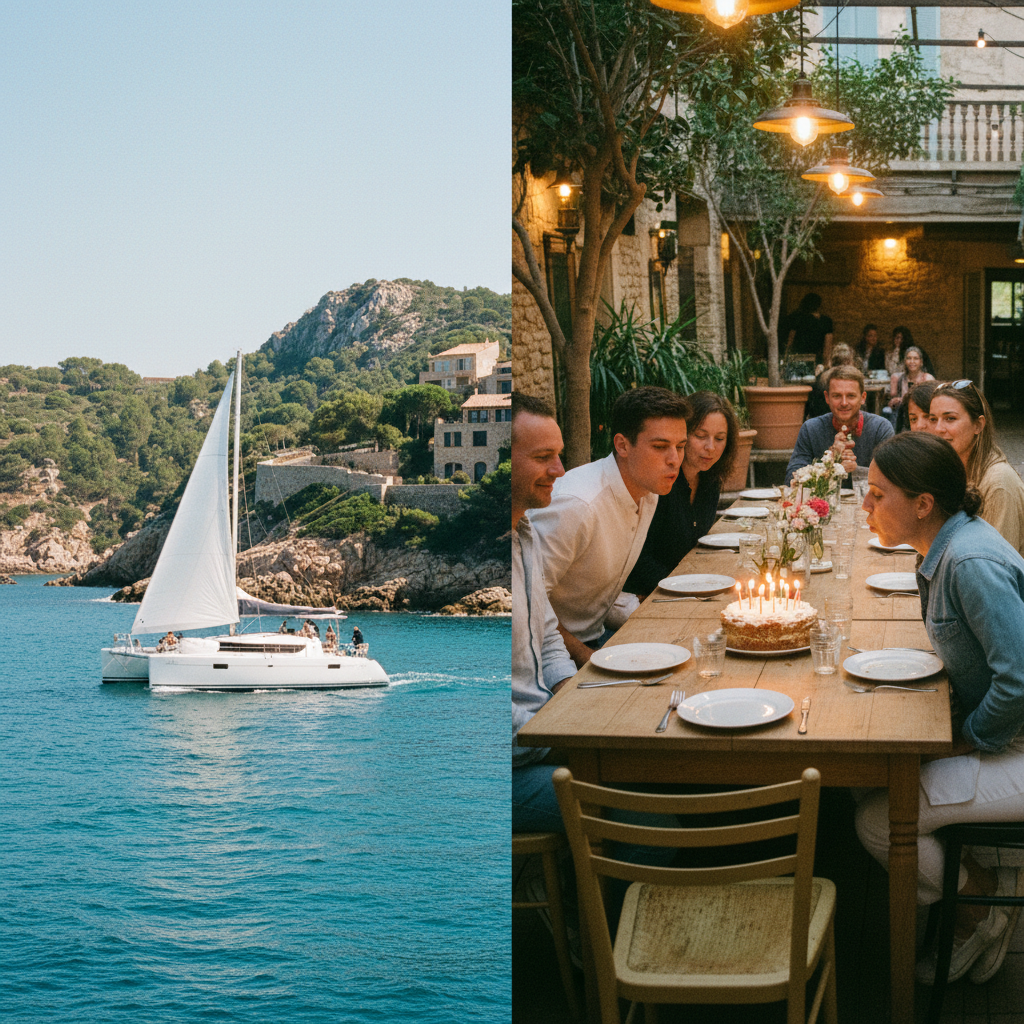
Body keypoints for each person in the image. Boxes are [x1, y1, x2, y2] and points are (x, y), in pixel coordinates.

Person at [855, 431, 1024, 985]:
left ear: (924, 503)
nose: (866, 505)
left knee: (877, 821)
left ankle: (979, 908)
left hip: (1017, 746)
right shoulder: (944, 547)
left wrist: (965, 739)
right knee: (864, 775)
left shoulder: (969, 561)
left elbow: (1019, 680)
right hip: (1005, 735)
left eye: (878, 494)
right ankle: (969, 887)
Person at [529, 385, 690, 667]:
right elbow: (528, 604)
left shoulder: (649, 491)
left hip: (598, 639)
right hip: (550, 657)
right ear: (622, 445)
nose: (674, 459)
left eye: (680, 446)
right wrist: (585, 659)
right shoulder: (577, 505)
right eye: (660, 447)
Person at [510, 392, 577, 831]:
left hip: (547, 729)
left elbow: (549, 638)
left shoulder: (525, 529)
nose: (559, 470)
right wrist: (562, 733)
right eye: (543, 458)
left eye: (559, 455)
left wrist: (572, 697)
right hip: (514, 767)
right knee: (645, 808)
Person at [624, 391, 739, 596]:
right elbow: (638, 560)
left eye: (720, 438)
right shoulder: (660, 482)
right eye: (700, 436)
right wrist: (687, 587)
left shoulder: (710, 480)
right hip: (644, 595)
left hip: (684, 586)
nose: (710, 447)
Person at [929, 379, 1024, 557]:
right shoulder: (954, 470)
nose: (938, 428)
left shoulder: (999, 484)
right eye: (933, 419)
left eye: (950, 418)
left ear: (978, 425)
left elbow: (994, 565)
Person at [785, 365, 894, 482]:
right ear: (827, 398)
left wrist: (856, 471)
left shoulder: (880, 428)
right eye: (837, 396)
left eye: (851, 396)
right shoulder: (811, 429)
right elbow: (791, 478)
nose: (844, 403)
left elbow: (891, 478)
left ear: (863, 398)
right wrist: (829, 463)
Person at [888, 345, 935, 430]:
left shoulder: (927, 378)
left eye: (915, 358)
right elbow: (891, 401)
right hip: (903, 414)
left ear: (921, 362)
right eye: (909, 358)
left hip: (922, 412)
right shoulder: (899, 378)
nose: (912, 361)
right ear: (905, 361)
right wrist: (895, 401)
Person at [781, 292, 833, 367]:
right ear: (819, 305)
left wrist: (785, 359)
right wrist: (826, 365)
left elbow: (790, 342)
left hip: (797, 359)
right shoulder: (826, 321)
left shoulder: (797, 319)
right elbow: (827, 348)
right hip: (816, 360)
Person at [804, 343, 854, 419]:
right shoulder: (851, 378)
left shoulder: (821, 376)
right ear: (849, 361)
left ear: (831, 360)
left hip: (819, 418)